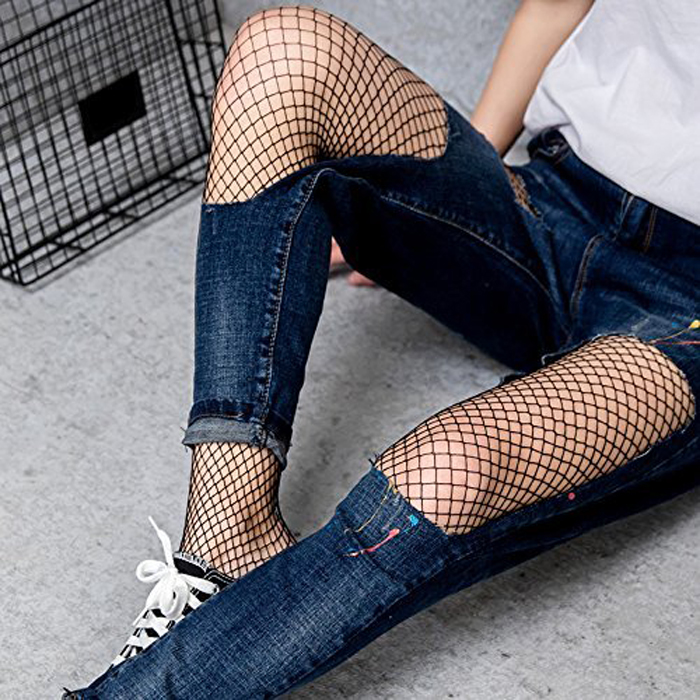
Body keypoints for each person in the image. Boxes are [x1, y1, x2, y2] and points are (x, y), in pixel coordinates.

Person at [65, 0, 699, 697]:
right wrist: (446, 202)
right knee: (283, 53)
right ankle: (226, 538)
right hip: (557, 198)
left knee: (448, 471)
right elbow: (553, 7)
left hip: (687, 310)